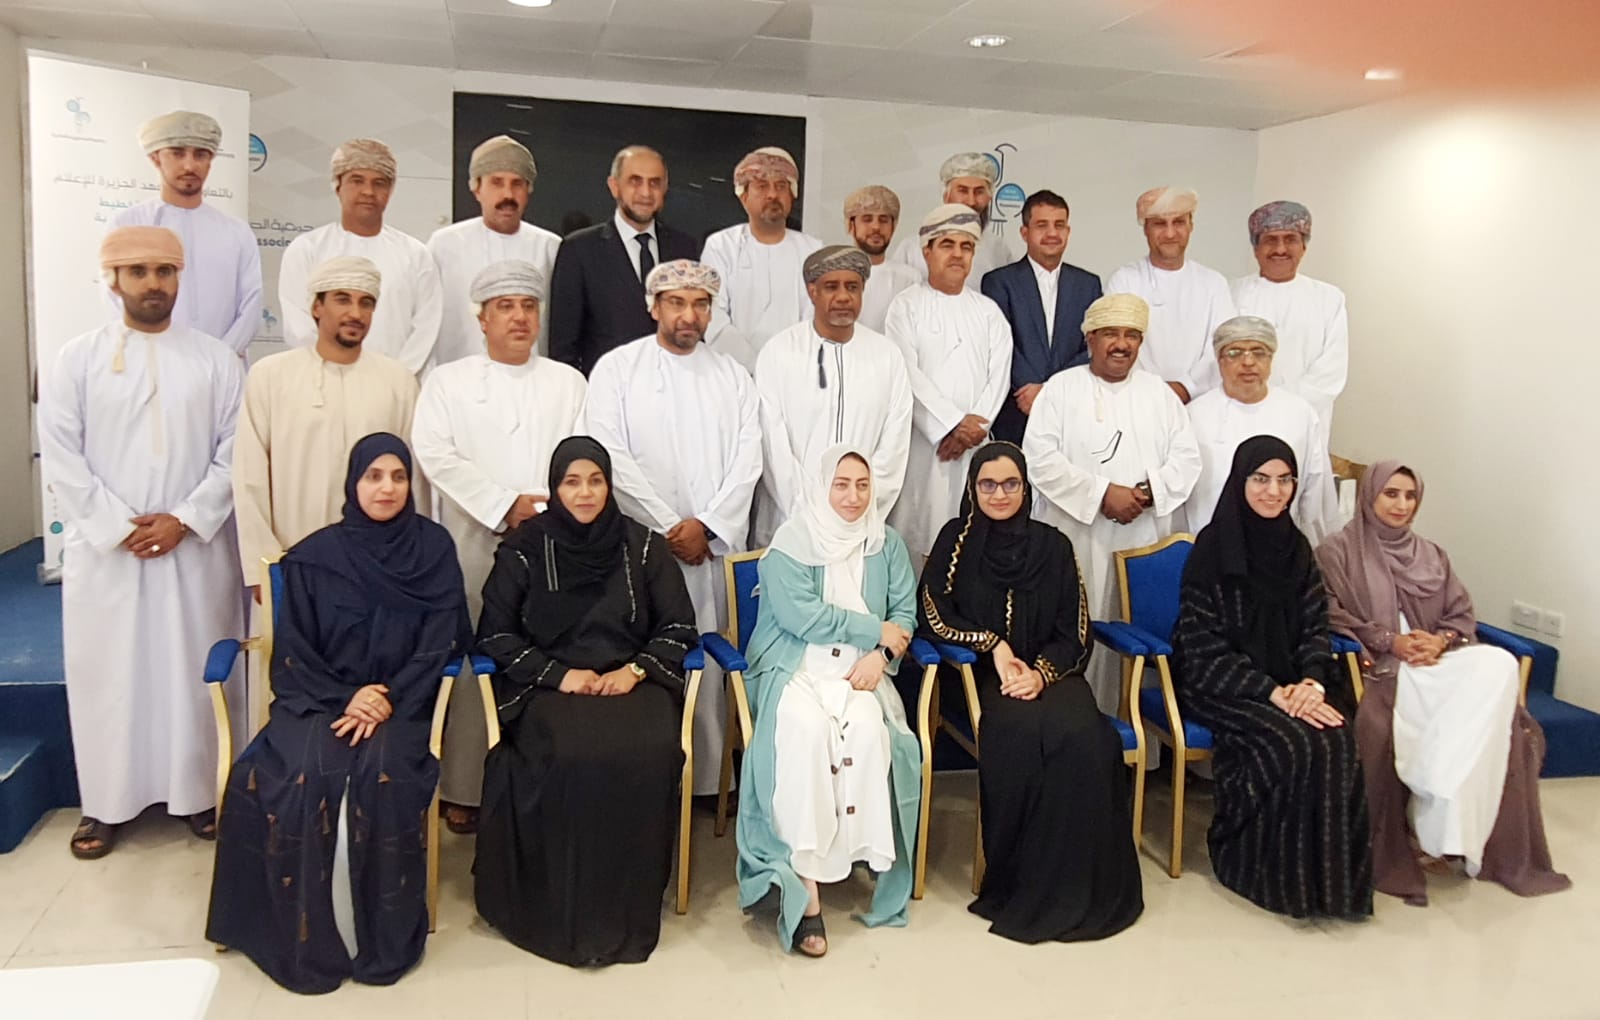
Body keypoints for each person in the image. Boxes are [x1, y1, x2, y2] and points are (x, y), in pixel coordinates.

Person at [206, 434, 471, 995]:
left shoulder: (432, 550)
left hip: (402, 703)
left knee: (383, 774)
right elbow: (295, 651)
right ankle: (306, 939)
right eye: (373, 476)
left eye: (398, 476)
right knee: (300, 775)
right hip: (322, 700)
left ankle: (376, 941)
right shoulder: (314, 558)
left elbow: (439, 640)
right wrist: (348, 696)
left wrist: (387, 697)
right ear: (353, 483)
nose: (387, 488)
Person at [39, 226, 244, 858]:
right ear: (113, 279)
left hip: (194, 548)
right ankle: (106, 804)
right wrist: (116, 525)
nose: (153, 284)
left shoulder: (216, 360)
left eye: (164, 271)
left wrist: (183, 518)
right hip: (110, 555)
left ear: (179, 277)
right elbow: (62, 455)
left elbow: (234, 453)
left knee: (193, 671)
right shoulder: (76, 359)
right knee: (111, 677)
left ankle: (201, 793)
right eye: (138, 272)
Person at [473, 438, 698, 967]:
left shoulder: (643, 546)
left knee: (648, 750)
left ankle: (627, 909)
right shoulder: (525, 549)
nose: (585, 493)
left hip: (631, 683)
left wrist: (634, 671)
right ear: (554, 488)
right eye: (571, 482)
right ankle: (559, 909)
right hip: (551, 687)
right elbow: (495, 636)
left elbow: (679, 626)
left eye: (595, 481)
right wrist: (560, 675)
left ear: (609, 485)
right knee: (570, 753)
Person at [1317, 461, 1571, 905]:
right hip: (1383, 667)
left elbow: (1460, 615)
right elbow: (1332, 614)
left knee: (1498, 663)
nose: (1401, 504)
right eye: (1390, 494)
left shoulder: (1431, 554)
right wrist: (1392, 642)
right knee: (1460, 711)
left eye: (1410, 495)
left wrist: (1439, 641)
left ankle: (1443, 791)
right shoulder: (1336, 552)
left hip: (1439, 662)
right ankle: (1439, 817)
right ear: (1370, 496)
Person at [918, 443, 1143, 942]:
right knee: (1021, 735)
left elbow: (1076, 630)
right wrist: (993, 646)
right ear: (973, 488)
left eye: (1010, 484)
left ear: (1025, 487)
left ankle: (1086, 888)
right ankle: (1022, 886)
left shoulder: (1053, 546)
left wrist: (1040, 674)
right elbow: (933, 613)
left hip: (1052, 675)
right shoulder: (956, 541)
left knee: (1086, 739)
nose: (999, 494)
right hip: (982, 677)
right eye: (988, 484)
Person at [410, 259, 586, 832]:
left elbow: (582, 454)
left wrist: (541, 513)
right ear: (482, 318)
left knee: (547, 657)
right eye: (505, 307)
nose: (518, 317)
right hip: (471, 543)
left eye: (528, 306)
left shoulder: (567, 382)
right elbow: (434, 453)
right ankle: (465, 786)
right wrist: (502, 505)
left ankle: (541, 784)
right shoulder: (448, 381)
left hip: (552, 547)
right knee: (472, 659)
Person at [1171, 435, 1372, 919]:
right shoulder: (1212, 549)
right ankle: (1266, 873)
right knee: (1291, 742)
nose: (1273, 491)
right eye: (1260, 479)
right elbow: (1201, 644)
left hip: (1292, 683)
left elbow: (1314, 626)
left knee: (1337, 736)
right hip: (1221, 682)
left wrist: (1312, 683)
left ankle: (1333, 887)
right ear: (1240, 482)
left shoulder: (1297, 548)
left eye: (1285, 480)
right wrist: (1272, 692)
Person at [735, 447, 921, 958]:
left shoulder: (886, 544)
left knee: (868, 732)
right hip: (794, 667)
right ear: (821, 486)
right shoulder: (790, 543)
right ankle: (805, 889)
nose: (853, 496)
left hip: (858, 671)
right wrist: (874, 630)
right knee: (806, 733)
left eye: (862, 484)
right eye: (841, 484)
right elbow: (803, 617)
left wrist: (882, 655)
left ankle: (856, 856)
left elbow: (905, 614)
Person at [585, 260, 761, 799]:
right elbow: (608, 455)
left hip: (709, 552)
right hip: (642, 551)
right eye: (677, 303)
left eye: (700, 304)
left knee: (708, 658)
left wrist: (707, 526)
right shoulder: (618, 369)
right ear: (653, 307)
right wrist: (667, 527)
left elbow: (749, 458)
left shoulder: (732, 375)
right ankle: (642, 787)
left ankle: (707, 784)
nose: (689, 315)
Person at [1023, 293, 1200, 711]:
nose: (1121, 344)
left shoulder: (1159, 394)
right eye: (1110, 334)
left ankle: (1135, 736)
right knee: (1072, 632)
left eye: (1131, 335)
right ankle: (1073, 730)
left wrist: (1145, 493)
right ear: (1090, 339)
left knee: (1134, 637)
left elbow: (1187, 459)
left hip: (1141, 539)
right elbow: (1039, 459)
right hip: (1075, 538)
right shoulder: (1060, 389)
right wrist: (1103, 493)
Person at [754, 245, 913, 545]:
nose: (843, 297)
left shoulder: (887, 356)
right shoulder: (778, 353)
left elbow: (894, 446)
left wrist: (858, 510)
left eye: (852, 287)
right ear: (812, 291)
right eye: (831, 287)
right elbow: (774, 448)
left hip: (861, 524)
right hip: (791, 522)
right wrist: (812, 515)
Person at [884, 204, 1012, 561]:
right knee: (918, 537)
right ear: (927, 251)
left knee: (973, 542)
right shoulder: (905, 307)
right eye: (947, 245)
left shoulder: (988, 311)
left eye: (966, 246)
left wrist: (973, 429)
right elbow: (906, 373)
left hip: (974, 447)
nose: (958, 254)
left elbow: (999, 377)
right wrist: (950, 424)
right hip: (924, 446)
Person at [279, 139, 442, 375]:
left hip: (397, 385)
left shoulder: (415, 255)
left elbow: (427, 327)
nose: (368, 191)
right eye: (357, 181)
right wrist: (335, 372)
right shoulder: (307, 249)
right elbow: (299, 326)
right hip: (322, 381)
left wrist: (396, 378)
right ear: (338, 186)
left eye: (379, 183)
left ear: (390, 191)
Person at [112, 110, 262, 357]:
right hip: (150, 364)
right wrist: (164, 359)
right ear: (155, 158)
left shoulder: (237, 232)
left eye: (200, 154)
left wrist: (219, 360)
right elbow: (115, 301)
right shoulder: (127, 225)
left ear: (211, 160)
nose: (190, 165)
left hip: (223, 369)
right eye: (177, 153)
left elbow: (251, 307)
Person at [1182, 315, 1338, 543]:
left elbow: (1315, 492)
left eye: (1258, 352)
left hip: (1280, 547)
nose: (1248, 362)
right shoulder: (1193, 416)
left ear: (1271, 360)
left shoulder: (1300, 413)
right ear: (1219, 360)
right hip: (1208, 546)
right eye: (1235, 353)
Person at [548, 145, 700, 375]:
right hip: (606, 389)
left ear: (665, 188)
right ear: (614, 186)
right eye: (635, 181)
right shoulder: (579, 250)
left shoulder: (684, 247)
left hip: (674, 386)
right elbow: (563, 347)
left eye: (654, 183)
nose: (646, 193)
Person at [427, 135, 562, 366]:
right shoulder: (444, 245)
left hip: (531, 377)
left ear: (528, 190)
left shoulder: (550, 247)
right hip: (459, 376)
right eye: (497, 182)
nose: (508, 194)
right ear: (477, 188)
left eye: (517, 183)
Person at [980, 189, 1101, 443]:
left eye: (1059, 225)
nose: (1052, 233)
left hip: (1072, 412)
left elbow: (1092, 345)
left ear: (1068, 231)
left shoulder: (1088, 284)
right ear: (1025, 232)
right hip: (1017, 409)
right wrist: (1031, 391)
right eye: (1042, 225)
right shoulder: (999, 282)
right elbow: (1000, 345)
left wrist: (1049, 391)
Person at [1231, 201, 1348, 449]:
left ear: (1304, 246)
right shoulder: (1231, 294)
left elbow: (1330, 373)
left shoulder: (1329, 299)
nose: (1280, 249)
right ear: (1255, 248)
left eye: (1290, 239)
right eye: (1270, 240)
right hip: (1239, 418)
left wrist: (1280, 410)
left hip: (1303, 423)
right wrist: (1254, 405)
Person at [1106, 187, 1236, 402]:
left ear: (1191, 225)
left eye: (1178, 222)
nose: (1169, 233)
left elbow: (1224, 345)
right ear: (1145, 229)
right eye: (1159, 223)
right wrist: (1151, 392)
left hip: (1201, 402)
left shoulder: (1214, 283)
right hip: (1136, 400)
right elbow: (1115, 343)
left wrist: (1186, 388)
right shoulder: (1124, 280)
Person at [700, 146, 823, 370]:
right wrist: (755, 367)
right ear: (743, 196)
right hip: (733, 373)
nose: (773, 194)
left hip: (795, 373)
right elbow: (713, 315)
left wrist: (786, 370)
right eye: (762, 186)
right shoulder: (721, 246)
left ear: (792, 194)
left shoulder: (813, 250)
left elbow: (815, 317)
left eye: (781, 186)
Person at [890, 152, 1015, 286]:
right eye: (963, 191)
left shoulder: (999, 249)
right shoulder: (912, 248)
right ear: (946, 195)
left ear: (990, 197)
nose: (971, 201)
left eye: (979, 192)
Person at [844, 185, 919, 332]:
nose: (876, 227)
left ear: (893, 226)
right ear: (851, 225)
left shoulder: (909, 278)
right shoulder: (834, 274)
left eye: (883, 220)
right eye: (867, 219)